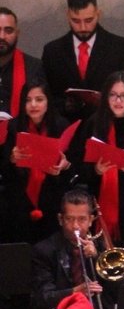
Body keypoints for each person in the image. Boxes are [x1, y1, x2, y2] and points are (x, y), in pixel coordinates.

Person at [28, 189, 124, 309]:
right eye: (70, 219)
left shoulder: (102, 250)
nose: (75, 226)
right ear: (61, 219)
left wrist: (97, 259)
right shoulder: (44, 251)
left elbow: (117, 292)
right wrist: (76, 291)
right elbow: (43, 297)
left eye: (82, 219)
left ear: (91, 220)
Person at [71, 70, 124, 249]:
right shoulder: (93, 124)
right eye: (113, 95)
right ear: (105, 97)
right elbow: (79, 168)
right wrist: (96, 170)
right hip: (102, 204)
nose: (118, 101)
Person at [41, 0, 124, 119]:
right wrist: (65, 104)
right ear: (67, 15)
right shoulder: (53, 51)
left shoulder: (119, 47)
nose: (83, 27)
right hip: (67, 128)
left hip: (107, 127)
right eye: (76, 21)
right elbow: (44, 95)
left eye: (88, 20)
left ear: (98, 14)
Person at [1, 81, 71, 244]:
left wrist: (65, 165)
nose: (33, 105)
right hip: (19, 201)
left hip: (52, 198)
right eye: (28, 100)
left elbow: (73, 164)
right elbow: (4, 169)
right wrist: (11, 159)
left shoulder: (60, 126)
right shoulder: (12, 127)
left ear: (48, 102)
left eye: (39, 99)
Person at [0, 6, 45, 118]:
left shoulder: (34, 68)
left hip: (18, 132)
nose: (2, 36)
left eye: (8, 30)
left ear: (17, 33)